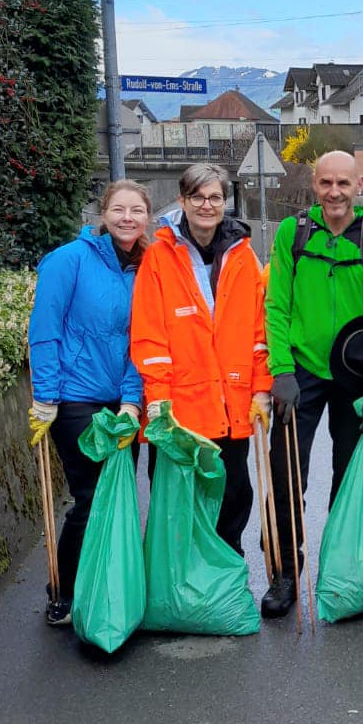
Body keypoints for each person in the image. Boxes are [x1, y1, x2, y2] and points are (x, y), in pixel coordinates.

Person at [261, 150, 363, 617]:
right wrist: (280, 371)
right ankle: (285, 572)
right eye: (326, 183)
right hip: (300, 373)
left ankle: (344, 567)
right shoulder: (292, 234)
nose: (335, 192)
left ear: (359, 185)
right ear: (314, 186)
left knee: (348, 476)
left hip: (354, 378)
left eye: (344, 183)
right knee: (285, 476)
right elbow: (276, 304)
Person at [130, 163, 272, 558]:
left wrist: (262, 390)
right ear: (182, 200)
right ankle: (180, 586)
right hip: (180, 410)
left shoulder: (244, 256)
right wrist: (156, 399)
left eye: (215, 198)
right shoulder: (159, 257)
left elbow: (258, 334)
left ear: (225, 202)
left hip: (232, 405)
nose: (207, 206)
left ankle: (226, 583)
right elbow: (149, 334)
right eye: (198, 197)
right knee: (178, 503)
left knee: (233, 498)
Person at [28, 180, 151, 626]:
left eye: (136, 210)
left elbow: (146, 341)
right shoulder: (68, 260)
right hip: (76, 400)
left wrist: (133, 400)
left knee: (118, 495)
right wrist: (45, 397)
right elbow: (45, 329)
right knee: (91, 495)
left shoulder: (147, 267)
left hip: (123, 402)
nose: (127, 218)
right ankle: (62, 592)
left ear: (146, 217)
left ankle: (106, 587)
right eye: (119, 209)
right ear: (103, 213)